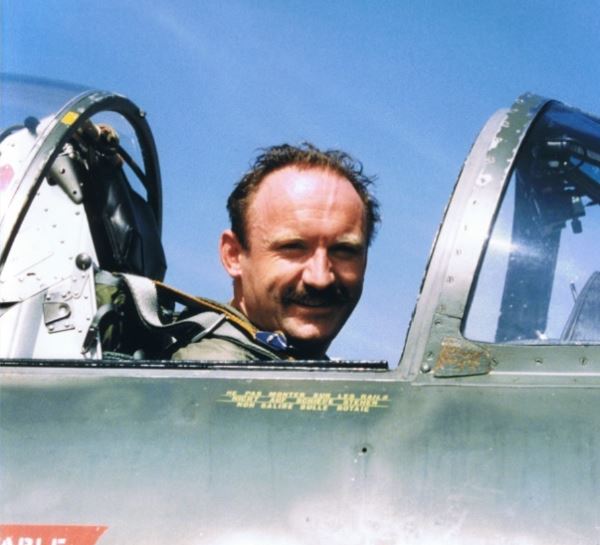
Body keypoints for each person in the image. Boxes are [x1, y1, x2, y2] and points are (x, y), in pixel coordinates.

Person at [172, 143, 380, 361]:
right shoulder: (216, 372)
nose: (320, 279)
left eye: (344, 251)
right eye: (293, 248)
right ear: (233, 255)